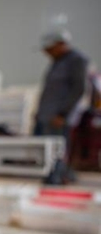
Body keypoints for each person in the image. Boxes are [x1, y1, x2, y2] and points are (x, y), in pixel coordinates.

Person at [35, 30, 89, 183]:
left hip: (58, 118)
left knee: (56, 151)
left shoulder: (77, 60)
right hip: (47, 115)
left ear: (60, 44)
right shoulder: (57, 61)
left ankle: (55, 180)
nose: (47, 53)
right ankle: (56, 177)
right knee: (45, 151)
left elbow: (79, 89)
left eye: (49, 49)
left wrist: (63, 114)